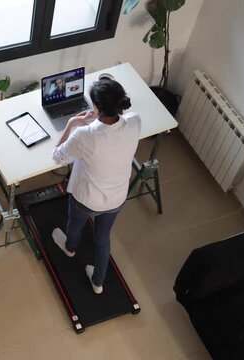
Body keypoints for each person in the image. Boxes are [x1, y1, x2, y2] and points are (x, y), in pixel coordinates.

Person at [51, 78, 141, 295]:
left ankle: (70, 248)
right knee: (102, 237)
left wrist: (72, 123)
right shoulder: (135, 121)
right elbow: (116, 130)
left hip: (87, 199)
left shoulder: (85, 135)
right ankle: (98, 281)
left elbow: (57, 157)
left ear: (97, 108)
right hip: (117, 198)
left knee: (75, 225)